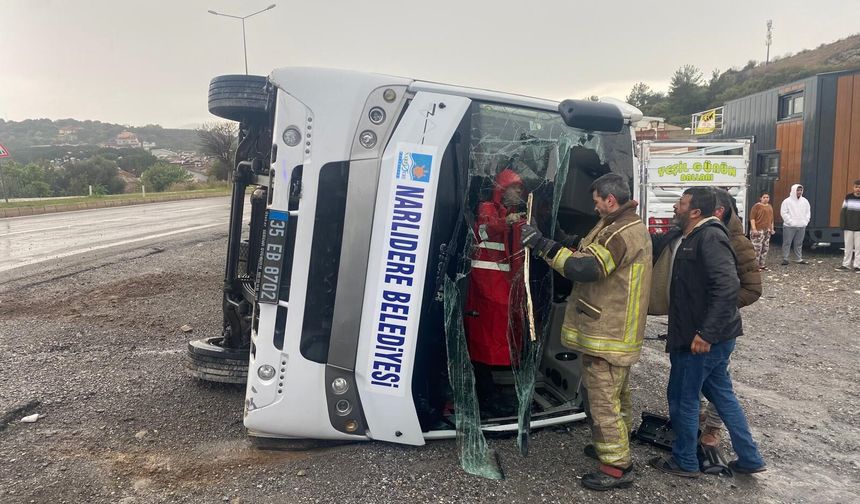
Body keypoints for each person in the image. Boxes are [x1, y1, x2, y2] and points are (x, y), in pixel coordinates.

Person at [521, 173, 652, 491]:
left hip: (610, 330)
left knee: (602, 399)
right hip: (614, 330)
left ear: (610, 200)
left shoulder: (621, 232)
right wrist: (551, 235)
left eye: (596, 202)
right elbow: (583, 250)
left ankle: (617, 467)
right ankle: (614, 447)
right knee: (616, 395)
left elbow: (585, 267)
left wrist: (541, 246)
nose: (594, 208)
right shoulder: (617, 225)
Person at [651, 187, 766, 478]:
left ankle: (685, 461)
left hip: (701, 340)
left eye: (681, 203)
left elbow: (728, 288)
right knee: (723, 395)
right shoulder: (690, 236)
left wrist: (706, 333)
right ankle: (750, 457)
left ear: (695, 212)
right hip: (707, 337)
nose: (675, 206)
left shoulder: (710, 237)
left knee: (682, 397)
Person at [699, 189, 761, 466]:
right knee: (720, 389)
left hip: (718, 330)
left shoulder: (737, 242)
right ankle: (749, 456)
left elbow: (753, 289)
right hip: (711, 327)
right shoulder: (707, 236)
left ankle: (708, 433)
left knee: (714, 391)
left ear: (719, 212)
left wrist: (717, 307)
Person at [464, 168, 525, 415]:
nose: (518, 193)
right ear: (502, 188)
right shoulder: (488, 208)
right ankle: (485, 396)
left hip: (500, 287)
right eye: (515, 188)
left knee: (490, 341)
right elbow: (483, 231)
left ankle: (488, 393)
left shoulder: (512, 213)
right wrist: (506, 223)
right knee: (482, 343)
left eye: (520, 189)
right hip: (484, 288)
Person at [780, 184, 811, 265]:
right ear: (793, 190)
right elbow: (783, 213)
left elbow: (808, 212)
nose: (799, 192)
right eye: (798, 190)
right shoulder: (787, 201)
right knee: (787, 242)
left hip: (801, 226)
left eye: (800, 190)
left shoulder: (805, 201)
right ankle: (785, 258)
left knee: (799, 243)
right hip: (789, 226)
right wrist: (790, 222)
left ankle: (798, 258)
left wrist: (805, 221)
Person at [835, 180, 860, 272]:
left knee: (858, 248)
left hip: (859, 229)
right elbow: (843, 212)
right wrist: (843, 225)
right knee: (848, 247)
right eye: (856, 187)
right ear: (853, 187)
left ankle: (857, 266)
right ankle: (846, 265)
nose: (858, 189)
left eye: (859, 187)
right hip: (848, 227)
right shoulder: (848, 197)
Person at [749, 192, 775, 270]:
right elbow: (752, 218)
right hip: (758, 230)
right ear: (760, 198)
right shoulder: (756, 206)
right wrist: (754, 229)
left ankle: (762, 264)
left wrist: (772, 228)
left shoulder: (770, 206)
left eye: (767, 197)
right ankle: (755, 265)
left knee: (765, 248)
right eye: (764, 197)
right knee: (756, 249)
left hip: (767, 230)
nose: (766, 199)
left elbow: (771, 219)